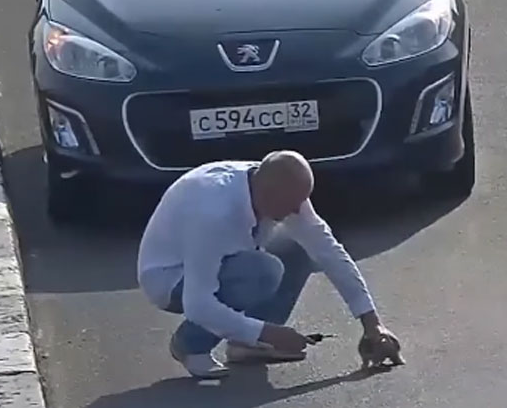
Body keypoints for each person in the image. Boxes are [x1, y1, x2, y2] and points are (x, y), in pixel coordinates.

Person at [137, 150, 402, 378]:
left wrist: (372, 323)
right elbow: (198, 303)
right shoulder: (213, 213)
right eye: (292, 204)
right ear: (267, 194)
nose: (298, 211)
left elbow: (329, 251)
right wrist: (268, 333)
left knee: (299, 246)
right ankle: (190, 345)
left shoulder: (278, 187)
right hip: (170, 278)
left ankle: (247, 345)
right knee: (262, 273)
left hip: (228, 259)